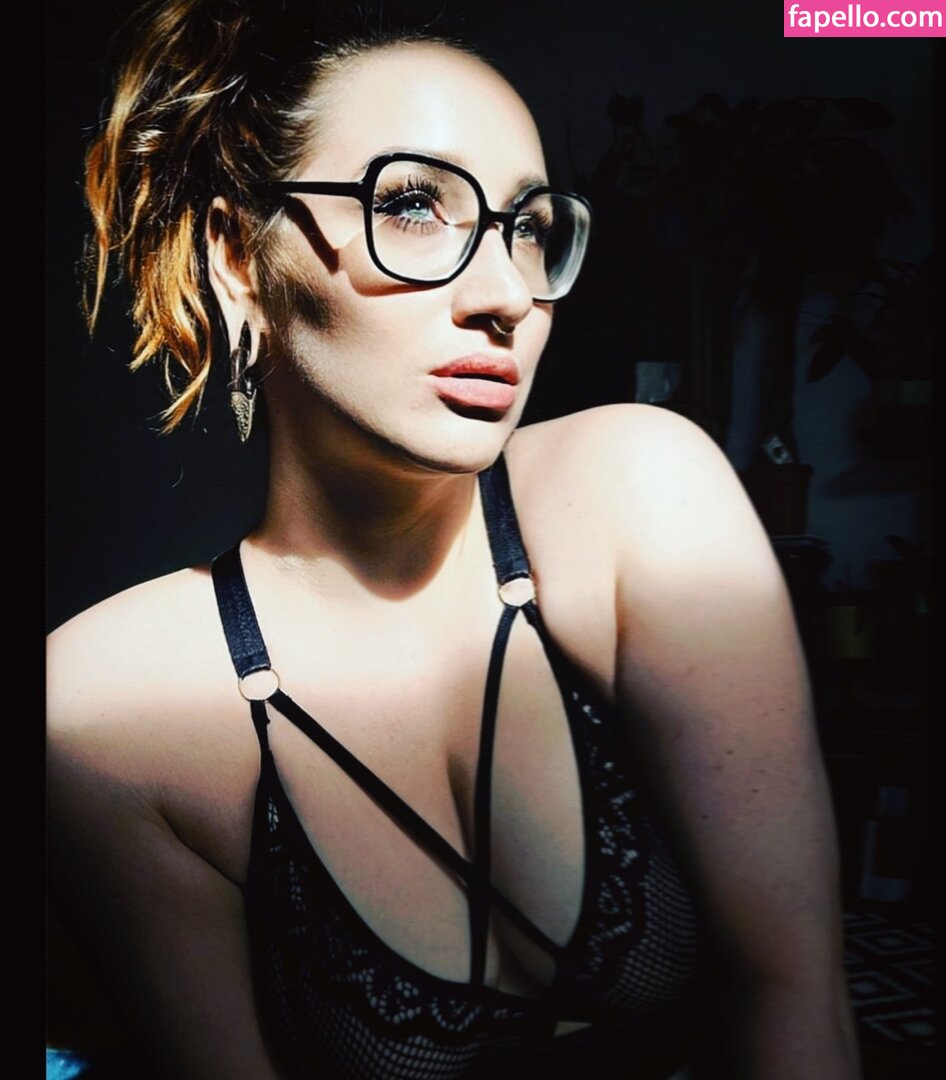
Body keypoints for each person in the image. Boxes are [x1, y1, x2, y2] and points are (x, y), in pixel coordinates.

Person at [47, 1, 860, 1077]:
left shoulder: (640, 494)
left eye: (528, 228)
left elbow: (795, 995)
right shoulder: (102, 711)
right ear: (239, 257)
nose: (508, 294)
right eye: (413, 205)